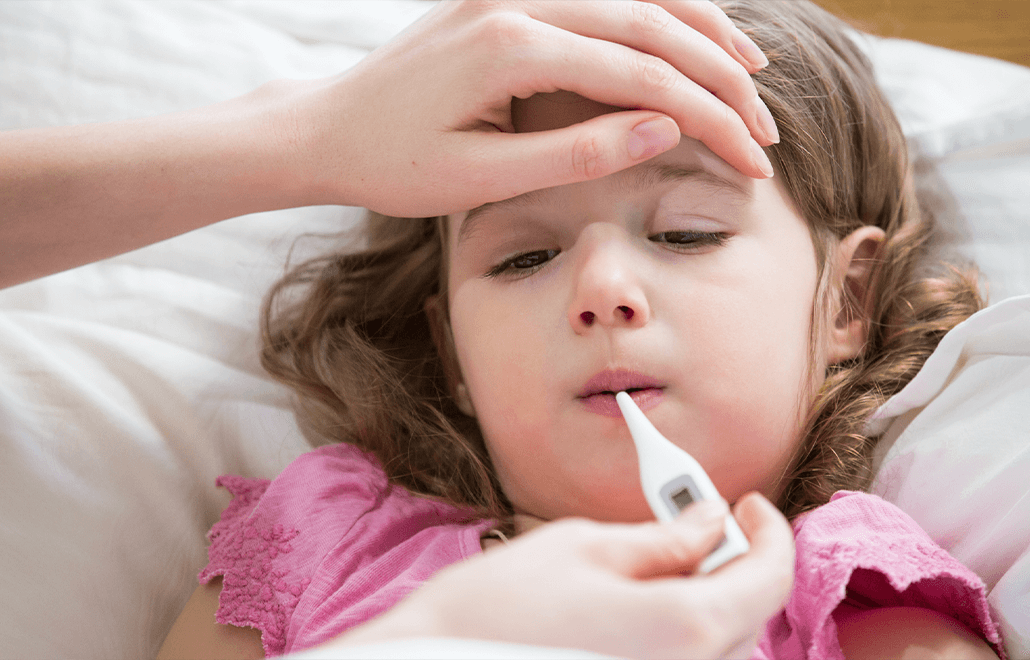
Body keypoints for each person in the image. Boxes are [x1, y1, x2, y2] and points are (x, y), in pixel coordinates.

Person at [156, 0, 1007, 657]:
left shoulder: (860, 599)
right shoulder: (317, 544)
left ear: (844, 302)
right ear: (453, 349)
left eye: (686, 233)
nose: (601, 290)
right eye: (524, 257)